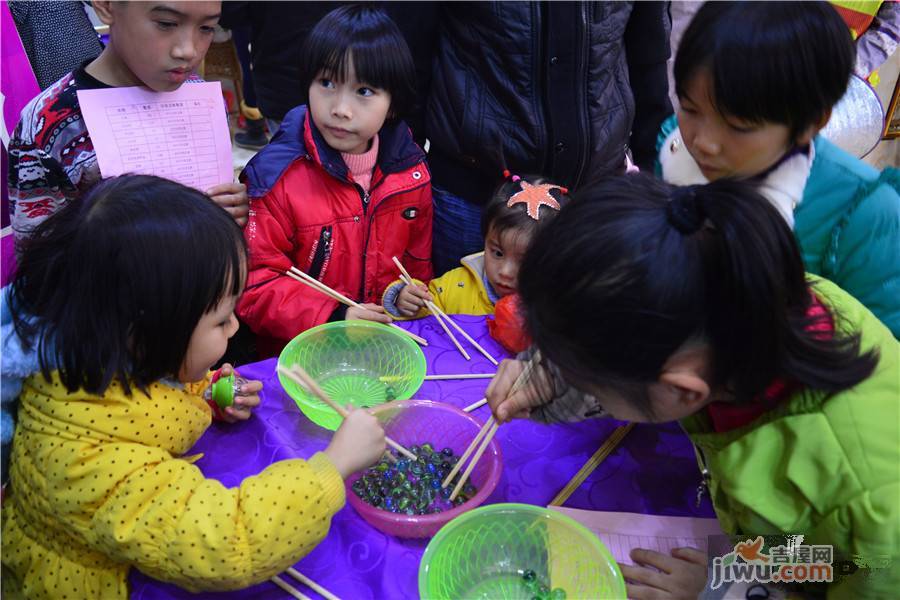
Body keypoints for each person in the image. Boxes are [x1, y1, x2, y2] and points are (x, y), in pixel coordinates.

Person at [486, 175, 899, 598]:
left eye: (585, 378)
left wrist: (731, 583)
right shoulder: (725, 299)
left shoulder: (872, 504)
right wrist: (552, 375)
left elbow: (849, 564)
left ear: (684, 394)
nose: (572, 378)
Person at [0, 175, 386, 598]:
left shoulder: (94, 349)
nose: (236, 326)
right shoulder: (85, 460)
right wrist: (332, 466)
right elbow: (226, 541)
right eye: (221, 321)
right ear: (145, 330)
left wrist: (207, 392)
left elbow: (153, 397)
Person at [657, 1, 900, 337]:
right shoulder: (673, 147)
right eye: (689, 108)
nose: (703, 143)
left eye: (738, 125)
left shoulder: (867, 218)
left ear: (811, 123)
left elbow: (888, 359)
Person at [236, 4, 432, 357]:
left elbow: (415, 267)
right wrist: (336, 316)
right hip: (297, 357)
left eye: (364, 91)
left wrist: (401, 295)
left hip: (377, 353)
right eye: (326, 83)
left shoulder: (411, 175)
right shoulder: (275, 177)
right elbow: (254, 283)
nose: (340, 108)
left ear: (394, 103)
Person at [423, 1, 674, 276]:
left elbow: (649, 61)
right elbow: (408, 51)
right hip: (473, 195)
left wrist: (654, 184)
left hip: (592, 198)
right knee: (460, 312)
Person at [7, 0, 250, 246]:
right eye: (166, 23)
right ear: (106, 5)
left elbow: (219, 197)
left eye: (207, 28)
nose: (188, 50)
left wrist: (233, 207)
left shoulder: (200, 98)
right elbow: (36, 257)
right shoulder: (46, 124)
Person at [383, 173, 569, 318]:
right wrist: (406, 302)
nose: (505, 271)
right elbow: (425, 311)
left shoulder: (556, 307)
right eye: (497, 253)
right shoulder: (455, 286)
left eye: (524, 261)